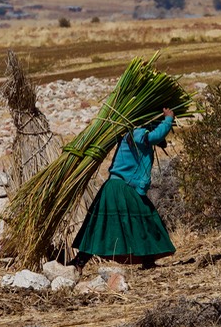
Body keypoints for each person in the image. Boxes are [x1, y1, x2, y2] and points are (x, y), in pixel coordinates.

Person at [70, 108, 176, 271]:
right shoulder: (136, 134)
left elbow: (158, 140)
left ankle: (147, 260)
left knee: (141, 219)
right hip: (120, 187)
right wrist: (168, 119)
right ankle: (79, 262)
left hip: (120, 186)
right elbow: (154, 137)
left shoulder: (134, 134)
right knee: (134, 220)